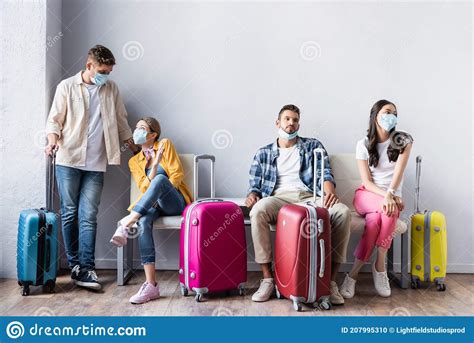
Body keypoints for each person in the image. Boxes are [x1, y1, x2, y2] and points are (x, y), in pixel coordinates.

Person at [45, 45, 138, 291]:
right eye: (102, 70)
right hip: (68, 159)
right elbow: (54, 120)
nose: (105, 75)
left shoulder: (111, 89)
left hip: (96, 162)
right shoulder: (66, 87)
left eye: (108, 71)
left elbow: (120, 119)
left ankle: (87, 268)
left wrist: (131, 143)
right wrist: (51, 142)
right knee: (69, 213)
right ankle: (74, 265)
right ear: (89, 66)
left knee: (88, 217)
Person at [245, 104, 351, 305]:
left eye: (295, 120)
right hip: (279, 198)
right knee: (258, 210)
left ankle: (330, 281)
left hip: (309, 196)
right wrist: (252, 195)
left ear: (298, 124)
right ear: (278, 122)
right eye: (287, 119)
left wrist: (330, 193)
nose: (291, 123)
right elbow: (254, 186)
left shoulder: (313, 146)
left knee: (342, 212)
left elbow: (325, 173)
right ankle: (268, 278)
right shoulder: (263, 153)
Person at [110, 117, 192, 304]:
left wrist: (161, 192)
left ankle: (126, 221)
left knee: (161, 181)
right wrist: (154, 166)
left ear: (153, 134)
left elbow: (177, 174)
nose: (136, 131)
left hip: (174, 202)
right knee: (143, 222)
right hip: (151, 205)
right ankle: (151, 285)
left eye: (141, 128)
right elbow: (143, 188)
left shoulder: (164, 144)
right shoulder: (134, 161)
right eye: (136, 128)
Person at [339, 99, 413, 298]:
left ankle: (354, 275)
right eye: (387, 111)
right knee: (389, 208)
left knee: (374, 223)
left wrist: (392, 196)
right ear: (375, 116)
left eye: (395, 113)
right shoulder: (362, 144)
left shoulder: (404, 141)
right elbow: (367, 182)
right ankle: (380, 267)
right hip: (366, 195)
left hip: (387, 199)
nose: (392, 116)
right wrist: (389, 197)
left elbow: (398, 174)